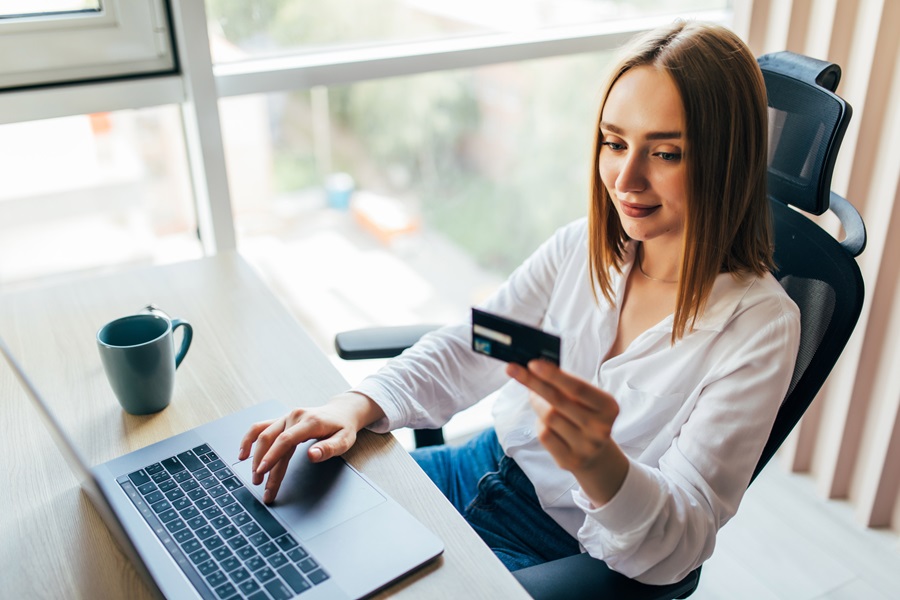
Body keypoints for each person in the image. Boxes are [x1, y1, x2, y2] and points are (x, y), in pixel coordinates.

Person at [239, 20, 801, 585]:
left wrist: (600, 467)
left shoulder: (758, 327)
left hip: (560, 545)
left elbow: (683, 538)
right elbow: (476, 345)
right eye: (614, 143)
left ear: (727, 160)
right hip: (480, 464)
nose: (625, 178)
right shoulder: (583, 249)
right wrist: (356, 404)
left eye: (666, 153)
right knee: (287, 529)